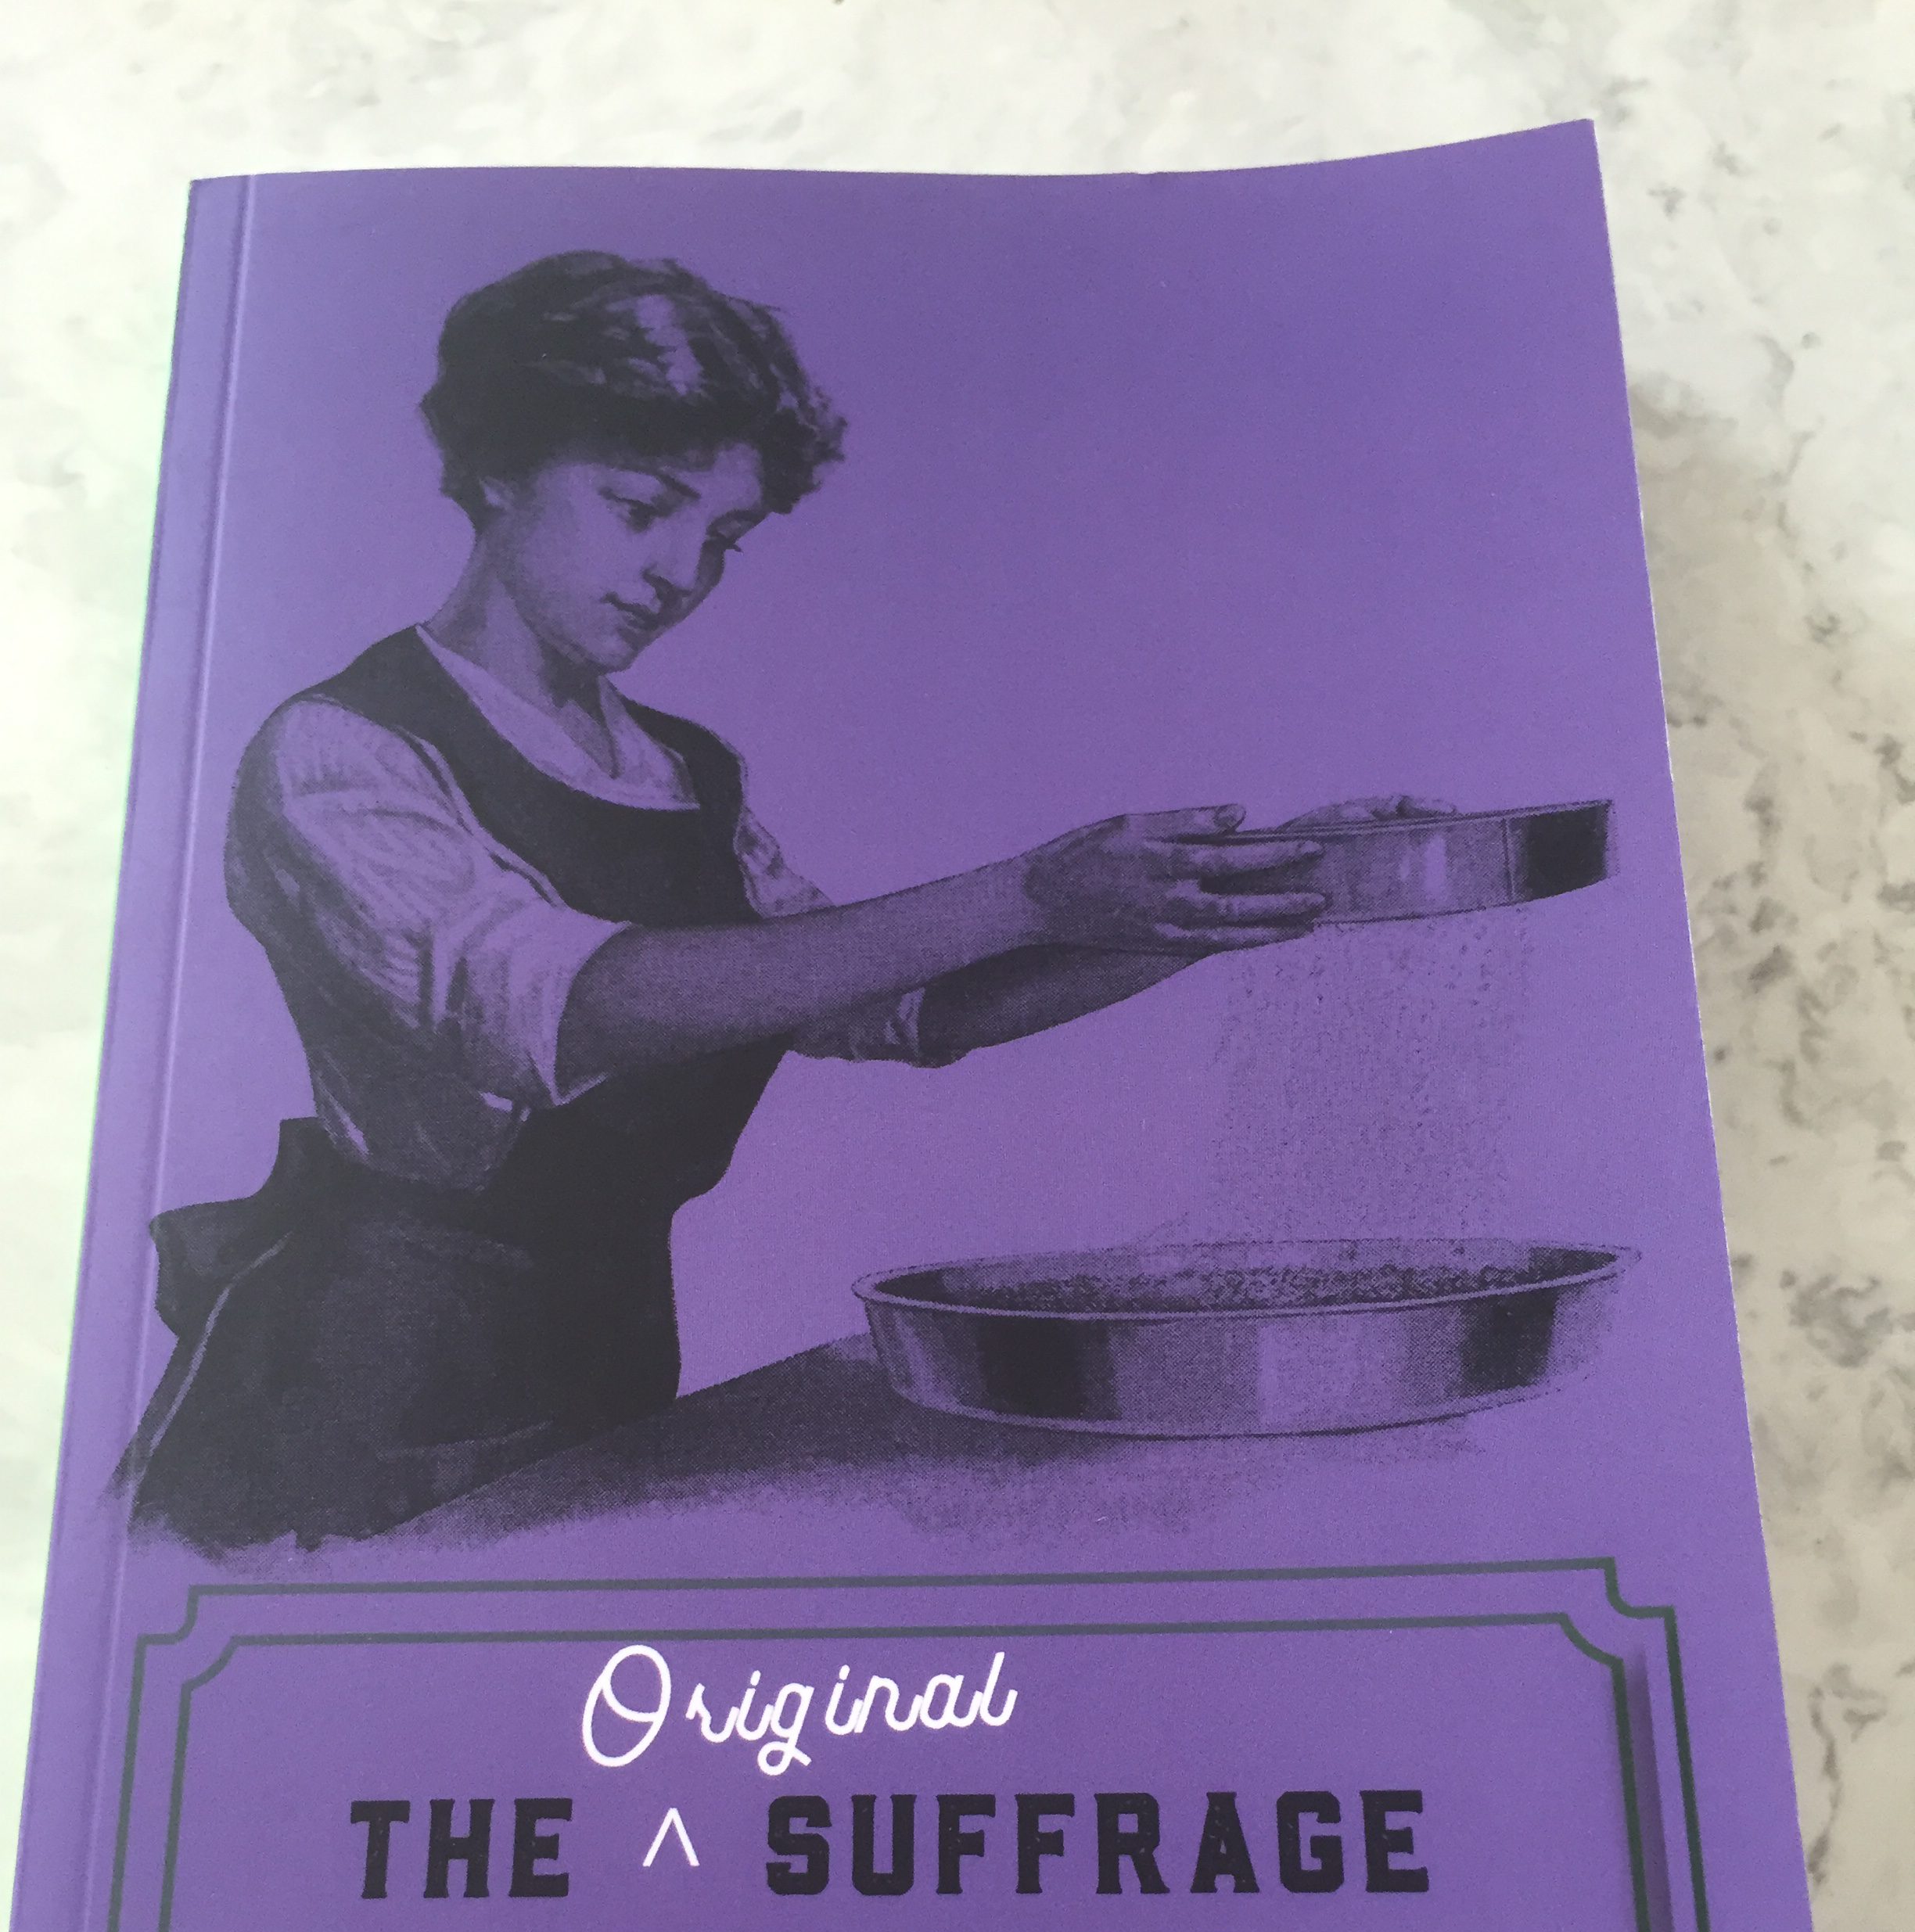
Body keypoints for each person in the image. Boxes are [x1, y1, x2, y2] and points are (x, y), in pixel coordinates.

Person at [121, 251, 1325, 1548]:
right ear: (498, 466)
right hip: (362, 1396)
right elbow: (579, 1008)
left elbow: (901, 1004)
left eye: (724, 539)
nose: (680, 572)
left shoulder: (683, 772)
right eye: (641, 507)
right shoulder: (340, 754)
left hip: (611, 1358)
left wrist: (1252, 892)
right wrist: (1031, 890)